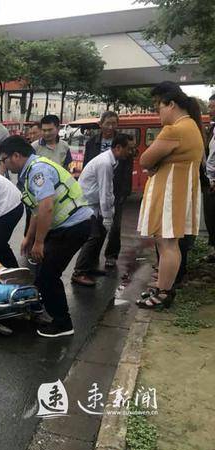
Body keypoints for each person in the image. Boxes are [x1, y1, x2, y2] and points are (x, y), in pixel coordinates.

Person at [1, 136, 93, 338]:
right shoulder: (31, 170)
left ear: (16, 156)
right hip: (67, 225)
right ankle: (47, 309)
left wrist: (39, 242)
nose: (4, 163)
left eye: (4, 159)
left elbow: (46, 206)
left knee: (48, 276)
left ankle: (63, 323)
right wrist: (29, 238)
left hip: (74, 225)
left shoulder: (37, 171)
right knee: (42, 271)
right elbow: (37, 210)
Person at [136, 82, 204, 309]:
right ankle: (162, 288)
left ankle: (164, 292)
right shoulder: (192, 126)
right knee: (167, 243)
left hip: (171, 194)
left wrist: (154, 164)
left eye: (158, 107)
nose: (158, 114)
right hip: (178, 191)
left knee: (167, 244)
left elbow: (145, 160)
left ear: (171, 104)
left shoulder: (175, 129)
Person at [72, 134, 133, 287]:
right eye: (129, 149)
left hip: (94, 202)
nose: (131, 152)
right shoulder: (105, 163)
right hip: (88, 204)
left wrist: (108, 211)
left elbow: (107, 190)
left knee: (100, 235)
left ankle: (90, 267)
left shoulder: (112, 161)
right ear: (118, 148)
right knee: (93, 237)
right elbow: (104, 191)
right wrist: (107, 216)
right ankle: (79, 272)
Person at [82, 111, 134, 268]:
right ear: (101, 124)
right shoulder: (93, 143)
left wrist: (125, 190)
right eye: (108, 123)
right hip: (97, 189)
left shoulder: (124, 142)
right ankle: (86, 264)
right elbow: (88, 164)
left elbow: (127, 169)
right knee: (96, 230)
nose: (111, 126)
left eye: (114, 123)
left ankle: (110, 255)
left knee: (114, 226)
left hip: (115, 188)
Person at [201, 93, 215, 261]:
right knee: (210, 218)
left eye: (213, 107)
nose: (210, 110)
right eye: (210, 106)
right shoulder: (211, 128)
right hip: (209, 181)